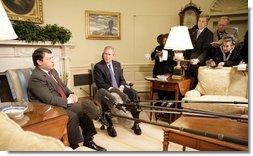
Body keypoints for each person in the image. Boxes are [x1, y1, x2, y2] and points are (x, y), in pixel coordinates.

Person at [28, 48, 106, 151]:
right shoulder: (36, 77)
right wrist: (68, 101)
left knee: (84, 109)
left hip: (59, 102)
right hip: (46, 107)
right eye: (49, 59)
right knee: (72, 116)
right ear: (39, 61)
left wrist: (71, 94)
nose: (53, 61)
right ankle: (74, 146)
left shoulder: (53, 71)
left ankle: (88, 140)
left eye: (52, 58)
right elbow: (49, 99)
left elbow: (63, 86)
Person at [93, 46, 142, 137]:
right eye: (105, 54)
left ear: (113, 56)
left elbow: (122, 79)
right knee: (105, 98)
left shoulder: (117, 64)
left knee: (134, 93)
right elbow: (100, 84)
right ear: (103, 54)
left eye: (109, 54)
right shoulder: (98, 66)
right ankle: (110, 125)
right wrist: (115, 90)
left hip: (120, 89)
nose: (107, 56)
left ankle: (136, 122)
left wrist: (122, 86)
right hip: (107, 90)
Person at [185, 13, 213, 88]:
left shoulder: (209, 34)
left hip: (199, 64)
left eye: (203, 21)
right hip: (190, 63)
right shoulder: (194, 33)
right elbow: (189, 48)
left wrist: (198, 59)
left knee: (196, 85)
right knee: (188, 84)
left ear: (207, 23)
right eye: (199, 21)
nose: (200, 23)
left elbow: (207, 50)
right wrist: (185, 60)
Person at [151, 33, 176, 101]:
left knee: (167, 87)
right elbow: (152, 56)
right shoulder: (158, 47)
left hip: (167, 70)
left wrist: (163, 54)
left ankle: (167, 101)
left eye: (166, 41)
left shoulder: (173, 49)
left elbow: (173, 59)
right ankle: (160, 100)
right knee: (159, 87)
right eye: (164, 41)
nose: (165, 42)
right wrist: (157, 54)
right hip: (158, 69)